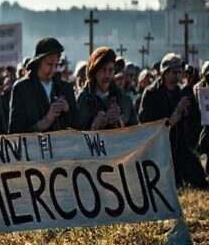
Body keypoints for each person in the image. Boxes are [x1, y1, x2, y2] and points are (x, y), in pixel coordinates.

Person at [139, 53, 208, 189]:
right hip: (157, 149)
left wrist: (184, 115)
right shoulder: (151, 94)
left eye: (179, 73)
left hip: (177, 147)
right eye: (174, 72)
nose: (178, 76)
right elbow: (145, 124)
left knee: (198, 176)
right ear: (164, 73)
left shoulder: (180, 93)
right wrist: (170, 120)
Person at [8, 37, 79, 133]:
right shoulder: (22, 89)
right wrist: (46, 121)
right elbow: (15, 132)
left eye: (56, 65)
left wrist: (67, 110)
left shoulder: (66, 88)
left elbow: (78, 128)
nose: (53, 70)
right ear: (38, 63)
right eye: (49, 64)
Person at [76, 47, 138, 130]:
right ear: (94, 72)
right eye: (103, 70)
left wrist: (120, 122)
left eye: (110, 70)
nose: (107, 75)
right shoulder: (83, 99)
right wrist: (94, 126)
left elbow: (135, 134)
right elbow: (74, 136)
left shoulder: (124, 99)